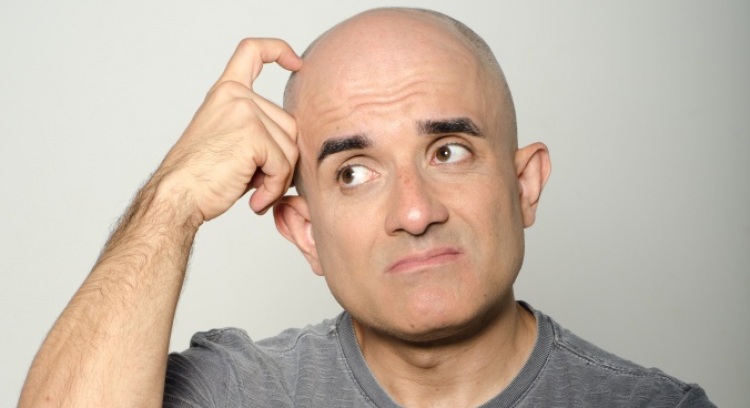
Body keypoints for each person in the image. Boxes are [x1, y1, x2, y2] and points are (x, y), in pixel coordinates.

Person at [19, 7, 714, 408]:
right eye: (353, 172)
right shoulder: (240, 392)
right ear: (305, 233)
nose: (414, 212)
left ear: (524, 185)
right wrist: (173, 197)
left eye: (448, 151)